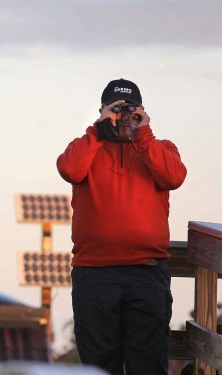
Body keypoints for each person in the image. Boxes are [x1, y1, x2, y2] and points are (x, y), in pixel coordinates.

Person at [57, 78, 187, 374]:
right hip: (95, 273)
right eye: (116, 109)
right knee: (98, 365)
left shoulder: (160, 147)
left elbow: (174, 177)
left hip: (146, 272)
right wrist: (98, 130)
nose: (123, 116)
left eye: (130, 109)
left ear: (142, 111)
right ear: (102, 110)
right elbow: (69, 169)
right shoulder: (87, 149)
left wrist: (144, 133)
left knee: (148, 363)